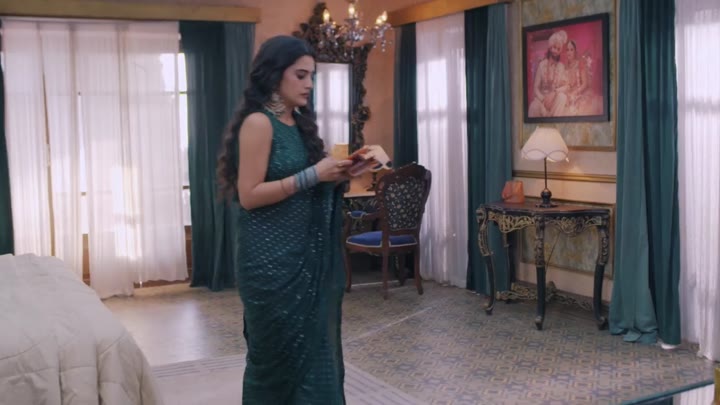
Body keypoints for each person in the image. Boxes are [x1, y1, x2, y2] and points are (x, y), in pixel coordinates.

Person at [216, 35, 353, 404]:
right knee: (273, 360)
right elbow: (249, 195)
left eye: (312, 76)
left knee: (316, 357)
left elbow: (309, 185)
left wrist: (337, 176)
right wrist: (313, 175)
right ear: (275, 75)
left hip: (304, 258)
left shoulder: (299, 124)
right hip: (269, 265)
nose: (309, 84)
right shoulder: (259, 124)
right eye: (301, 75)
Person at [528, 30, 569, 118]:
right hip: (542, 100)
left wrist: (555, 92)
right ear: (550, 47)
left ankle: (555, 123)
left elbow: (566, 86)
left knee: (562, 97)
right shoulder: (542, 65)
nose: (555, 51)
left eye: (558, 49)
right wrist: (543, 99)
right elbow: (536, 87)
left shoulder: (561, 67)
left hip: (554, 99)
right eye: (554, 47)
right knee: (533, 107)